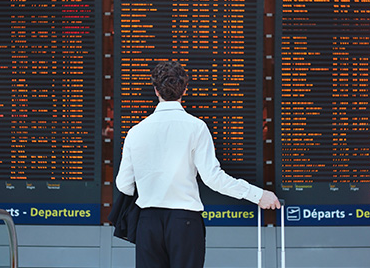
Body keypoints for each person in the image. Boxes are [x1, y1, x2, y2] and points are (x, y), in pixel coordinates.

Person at [116, 60, 281, 268]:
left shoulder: (135, 132)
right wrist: (257, 195)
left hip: (147, 223)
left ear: (156, 90)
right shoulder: (196, 127)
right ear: (185, 89)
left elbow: (124, 185)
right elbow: (213, 179)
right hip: (184, 222)